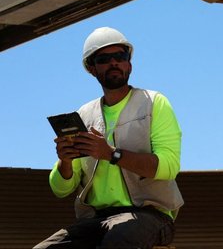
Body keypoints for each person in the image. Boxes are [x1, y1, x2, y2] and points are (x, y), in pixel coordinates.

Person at [34, 27, 184, 249]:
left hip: (151, 215)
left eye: (120, 56)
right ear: (92, 69)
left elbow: (168, 167)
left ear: (129, 64)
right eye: (104, 59)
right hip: (96, 219)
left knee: (120, 236)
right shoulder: (84, 115)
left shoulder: (154, 103)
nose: (114, 62)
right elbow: (61, 189)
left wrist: (110, 153)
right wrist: (65, 161)